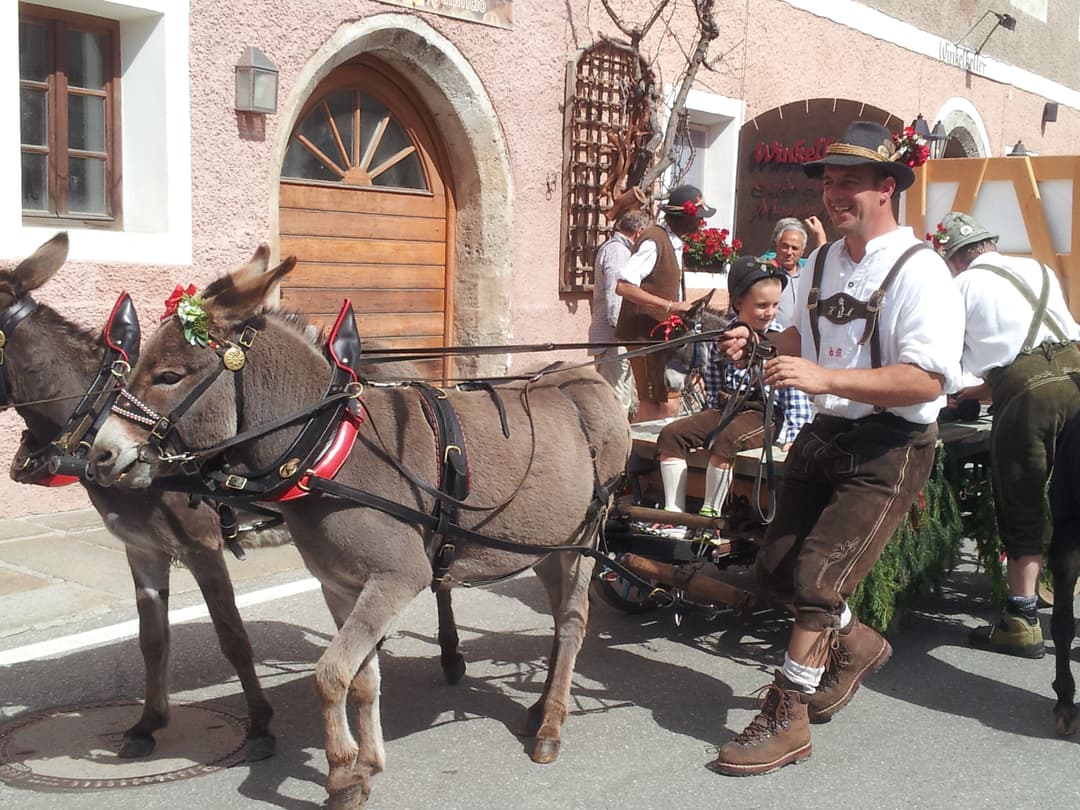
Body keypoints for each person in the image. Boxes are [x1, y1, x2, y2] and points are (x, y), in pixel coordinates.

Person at [711, 120, 964, 776]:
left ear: (887, 188)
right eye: (828, 182)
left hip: (891, 442)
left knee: (819, 576)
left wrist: (825, 378)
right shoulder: (821, 264)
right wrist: (757, 343)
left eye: (849, 182)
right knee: (777, 569)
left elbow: (927, 379)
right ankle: (855, 645)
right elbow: (797, 340)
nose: (834, 194)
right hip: (826, 434)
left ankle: (787, 713)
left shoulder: (922, 270)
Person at [933, 210, 1080, 658]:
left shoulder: (959, 286)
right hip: (1077, 374)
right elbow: (1032, 351)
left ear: (955, 259)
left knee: (1023, 499)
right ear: (989, 244)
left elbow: (949, 364)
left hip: (1028, 398)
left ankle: (1022, 620)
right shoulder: (1037, 268)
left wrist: (948, 395)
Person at [645, 256, 813, 539]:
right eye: (761, 306)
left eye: (775, 305)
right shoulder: (725, 336)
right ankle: (673, 514)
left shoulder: (778, 340)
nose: (769, 312)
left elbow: (793, 394)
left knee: (726, 441)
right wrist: (707, 417)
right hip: (727, 407)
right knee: (672, 434)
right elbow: (713, 379)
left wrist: (793, 434)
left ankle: (709, 517)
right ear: (738, 304)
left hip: (764, 414)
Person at [615, 184, 715, 422]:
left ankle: (653, 455)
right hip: (645, 337)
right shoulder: (653, 241)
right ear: (683, 218)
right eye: (698, 219)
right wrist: (670, 306)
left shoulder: (672, 241)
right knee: (656, 406)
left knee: (668, 404)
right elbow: (623, 286)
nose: (701, 224)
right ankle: (638, 457)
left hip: (662, 336)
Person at [589, 209, 651, 417]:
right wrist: (623, 333)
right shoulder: (617, 252)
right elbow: (615, 296)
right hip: (614, 339)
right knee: (616, 401)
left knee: (620, 398)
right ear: (639, 232)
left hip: (616, 339)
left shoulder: (618, 250)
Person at [761, 216, 827, 329]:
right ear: (777, 246)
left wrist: (819, 233)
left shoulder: (808, 272)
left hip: (803, 341)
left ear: (802, 251)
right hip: (774, 340)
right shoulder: (764, 271)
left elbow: (824, 259)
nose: (789, 252)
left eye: (795, 248)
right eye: (785, 246)